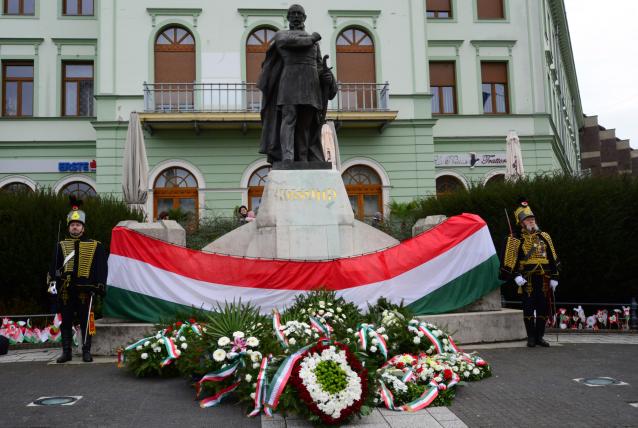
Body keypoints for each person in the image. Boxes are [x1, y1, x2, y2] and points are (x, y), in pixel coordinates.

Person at [257, 4, 338, 164]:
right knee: (289, 119)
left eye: (299, 13)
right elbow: (292, 42)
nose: (296, 16)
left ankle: (302, 158)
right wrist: (313, 37)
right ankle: (287, 157)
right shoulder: (281, 36)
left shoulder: (315, 45)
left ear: (304, 18)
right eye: (292, 13)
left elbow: (319, 66)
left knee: (305, 125)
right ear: (287, 17)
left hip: (310, 85)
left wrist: (328, 78)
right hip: (289, 84)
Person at [47, 197, 108, 363]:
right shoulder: (60, 245)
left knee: (86, 322)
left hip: (85, 290)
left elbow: (101, 268)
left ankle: (86, 351)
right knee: (65, 322)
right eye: (73, 225)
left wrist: (99, 285)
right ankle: (66, 352)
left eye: (78, 224)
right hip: (66, 290)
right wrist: (54, 282)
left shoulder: (96, 245)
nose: (75, 227)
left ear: (83, 227)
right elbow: (54, 267)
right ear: (69, 227)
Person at [500, 198, 560, 347]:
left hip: (544, 279)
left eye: (532, 218)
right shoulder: (516, 239)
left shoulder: (544, 237)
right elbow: (510, 261)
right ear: (521, 223)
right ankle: (531, 337)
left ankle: (540, 337)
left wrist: (555, 276)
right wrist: (516, 276)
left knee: (543, 308)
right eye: (527, 219)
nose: (531, 221)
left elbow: (554, 258)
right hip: (527, 279)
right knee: (528, 308)